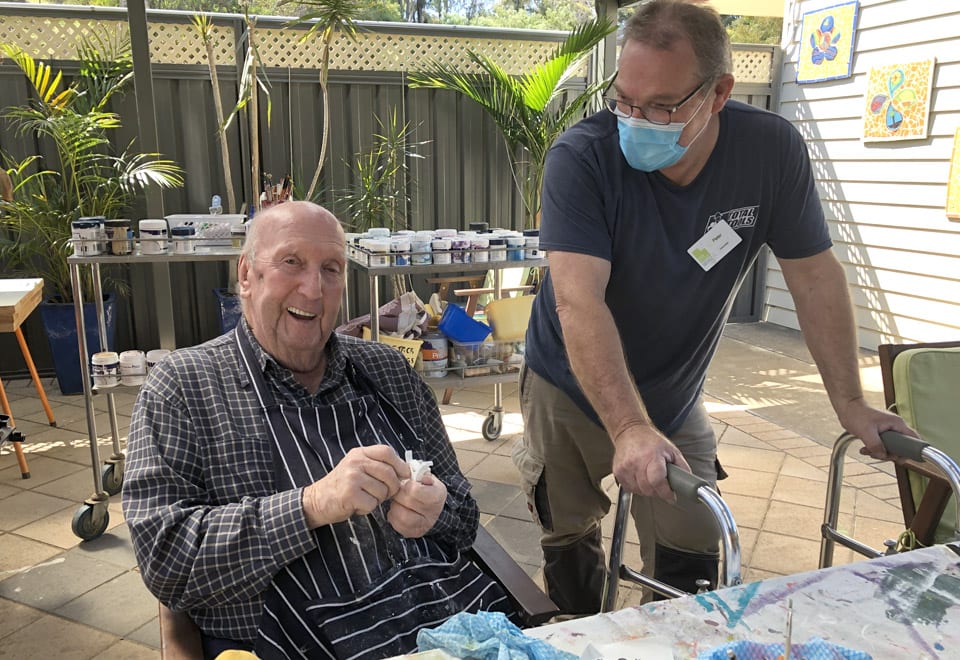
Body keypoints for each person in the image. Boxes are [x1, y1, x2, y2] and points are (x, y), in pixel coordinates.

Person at [514, 0, 914, 615]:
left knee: (695, 558)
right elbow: (577, 299)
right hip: (566, 381)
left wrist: (850, 404)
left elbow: (813, 277)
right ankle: (577, 630)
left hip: (673, 394)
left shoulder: (770, 152)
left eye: (661, 106)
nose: (636, 121)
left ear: (719, 92)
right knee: (567, 532)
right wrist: (626, 428)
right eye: (624, 100)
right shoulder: (583, 157)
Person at [122, 201, 511, 660]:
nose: (313, 289)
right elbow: (166, 561)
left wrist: (437, 510)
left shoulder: (387, 371)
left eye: (331, 269)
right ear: (247, 275)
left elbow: (464, 516)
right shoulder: (182, 388)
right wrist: (310, 505)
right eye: (292, 263)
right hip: (294, 645)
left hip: (446, 628)